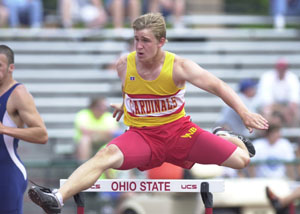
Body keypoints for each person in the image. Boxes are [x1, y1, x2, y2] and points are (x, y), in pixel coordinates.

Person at [28, 13, 268, 214]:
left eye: (145, 40)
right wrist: (126, 104)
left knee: (242, 160)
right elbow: (130, 89)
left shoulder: (180, 66)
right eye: (136, 40)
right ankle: (57, 198)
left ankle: (222, 136)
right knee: (105, 155)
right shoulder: (124, 65)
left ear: (161, 41)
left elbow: (219, 86)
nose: (139, 46)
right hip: (143, 137)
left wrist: (244, 112)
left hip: (180, 134)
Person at [0, 45, 48, 214]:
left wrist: (4, 129)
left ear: (11, 68)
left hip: (6, 172)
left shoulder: (18, 94)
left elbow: (42, 134)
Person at [74, 96, 121, 161]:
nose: (104, 108)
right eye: (101, 106)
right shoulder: (83, 114)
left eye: (105, 106)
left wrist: (95, 133)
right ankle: (83, 164)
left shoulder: (108, 116)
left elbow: (115, 132)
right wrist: (104, 133)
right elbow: (85, 131)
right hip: (89, 142)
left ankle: (114, 167)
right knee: (85, 140)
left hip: (104, 141)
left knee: (116, 141)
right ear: (93, 106)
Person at [256, 58, 300, 127]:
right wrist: (284, 111)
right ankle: (270, 134)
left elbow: (294, 101)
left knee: (296, 113)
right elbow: (267, 102)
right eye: (280, 68)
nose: (281, 70)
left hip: (285, 108)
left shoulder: (292, 78)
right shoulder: (267, 77)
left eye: (283, 68)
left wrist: (289, 111)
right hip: (273, 108)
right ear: (276, 68)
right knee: (267, 112)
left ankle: (293, 136)